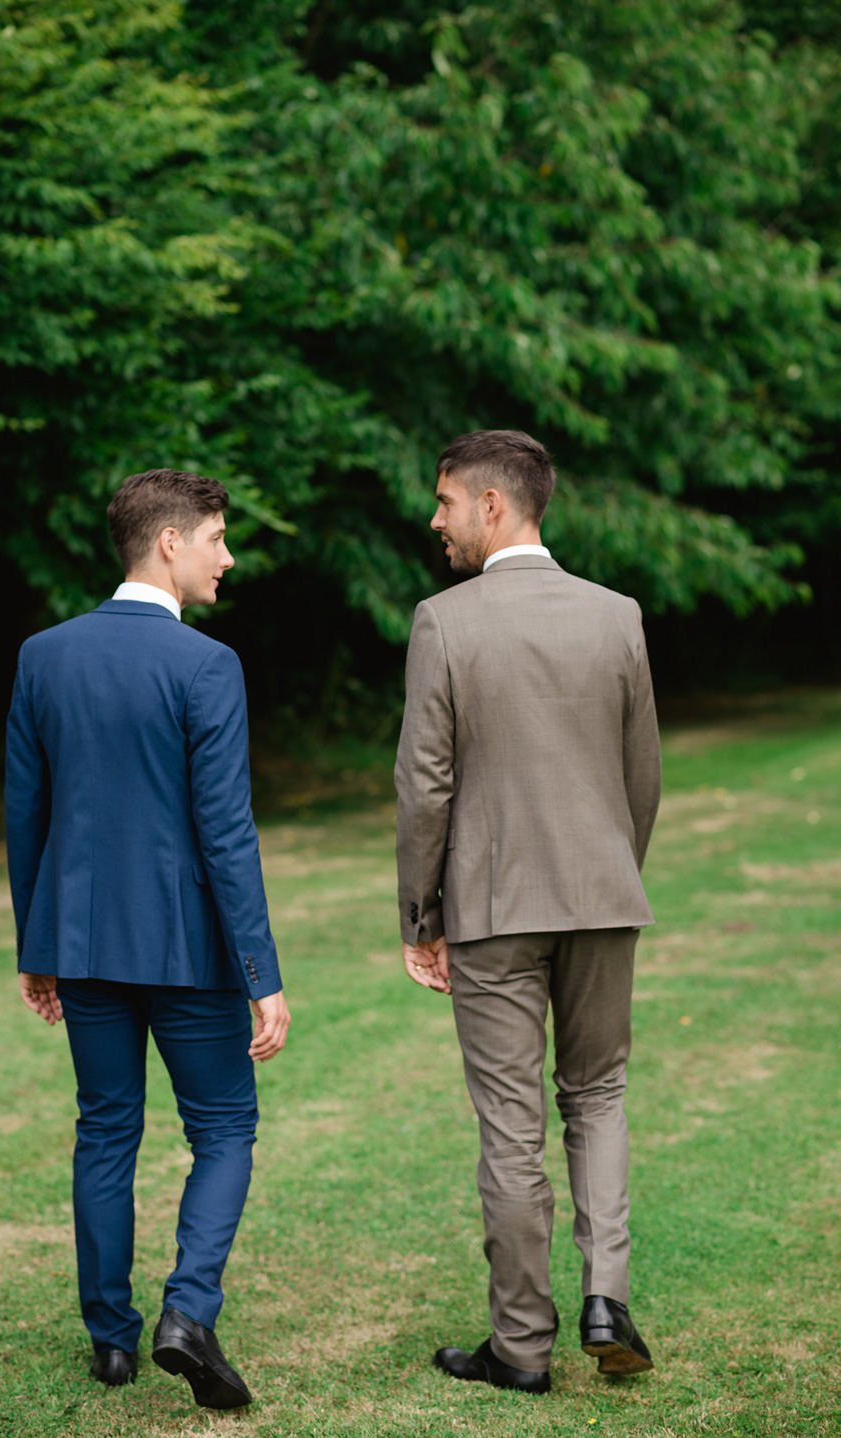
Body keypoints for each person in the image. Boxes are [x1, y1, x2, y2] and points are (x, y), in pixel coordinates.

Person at [5, 468, 290, 1409]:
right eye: (217, 536)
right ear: (169, 542)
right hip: (186, 948)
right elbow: (225, 831)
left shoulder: (44, 655)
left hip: (82, 942)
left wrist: (36, 945)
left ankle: (111, 1341)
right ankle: (188, 1311)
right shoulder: (207, 665)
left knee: (105, 1129)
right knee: (225, 1127)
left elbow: (27, 815)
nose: (227, 555)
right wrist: (261, 972)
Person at [395, 430, 660, 1395]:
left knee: (510, 1125)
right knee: (599, 1094)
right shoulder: (618, 615)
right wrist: (606, 874)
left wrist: (422, 914)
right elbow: (644, 777)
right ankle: (607, 1298)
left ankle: (520, 1348)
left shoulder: (444, 622)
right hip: (601, 894)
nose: (436, 520)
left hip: (495, 905)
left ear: (494, 505)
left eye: (446, 502)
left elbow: (426, 787)